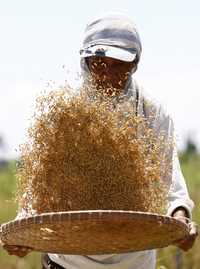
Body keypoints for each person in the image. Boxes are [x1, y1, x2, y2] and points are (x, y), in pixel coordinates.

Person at [3, 13, 198, 269]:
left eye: (119, 65)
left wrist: (180, 216)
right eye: (99, 63)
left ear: (135, 65)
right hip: (67, 259)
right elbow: (40, 184)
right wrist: (23, 229)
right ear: (85, 61)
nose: (108, 74)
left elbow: (169, 178)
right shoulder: (63, 115)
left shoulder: (153, 114)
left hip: (133, 259)